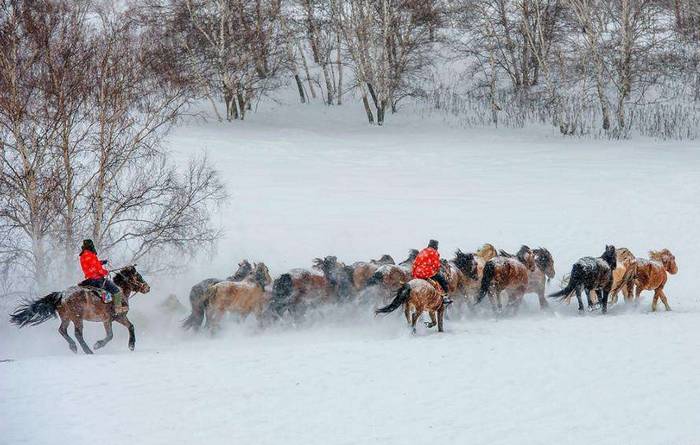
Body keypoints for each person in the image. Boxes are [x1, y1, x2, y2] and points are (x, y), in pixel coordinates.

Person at [79, 239, 127, 314]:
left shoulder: (83, 254)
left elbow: (93, 264)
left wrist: (102, 262)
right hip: (96, 278)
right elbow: (95, 267)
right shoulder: (90, 254)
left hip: (89, 278)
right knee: (116, 291)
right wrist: (105, 272)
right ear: (90, 245)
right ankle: (118, 308)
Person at [411, 239, 452, 304]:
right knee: (442, 280)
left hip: (417, 272)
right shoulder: (434, 252)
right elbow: (436, 265)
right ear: (436, 247)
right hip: (427, 273)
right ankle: (445, 297)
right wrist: (437, 270)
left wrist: (413, 274)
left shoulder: (422, 251)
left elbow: (414, 263)